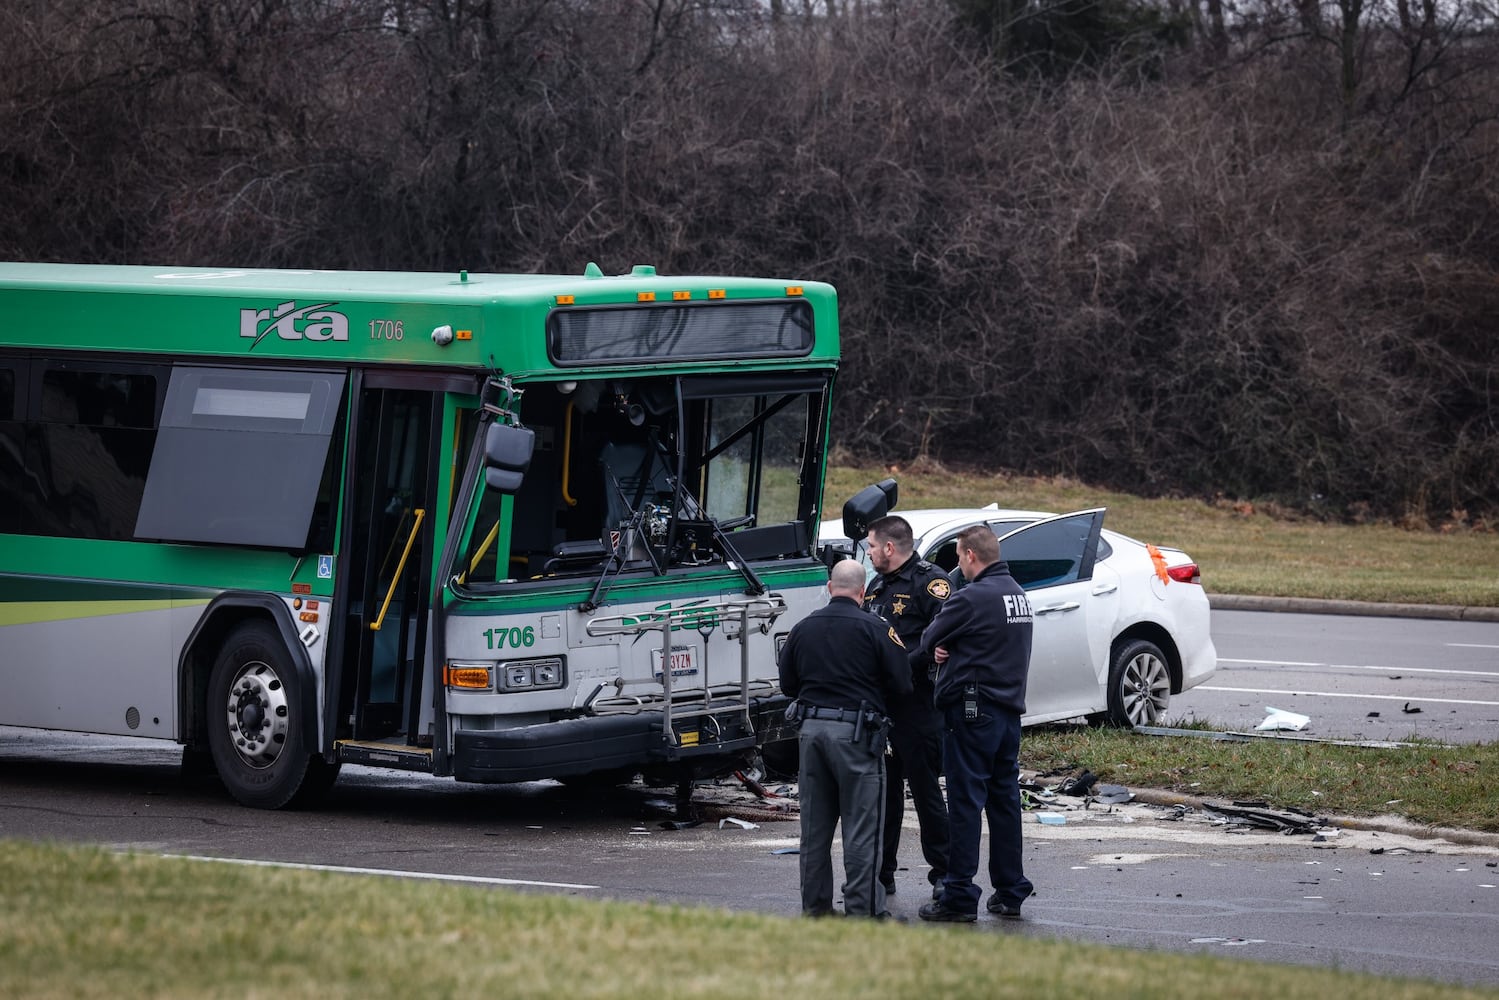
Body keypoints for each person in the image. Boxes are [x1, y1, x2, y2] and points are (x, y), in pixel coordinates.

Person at [778, 558, 913, 918]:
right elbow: (902, 684)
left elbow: (787, 685)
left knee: (815, 830)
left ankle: (817, 910)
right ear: (863, 592)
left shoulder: (802, 629)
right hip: (856, 736)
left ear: (829, 587)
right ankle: (863, 911)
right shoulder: (876, 628)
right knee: (862, 828)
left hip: (810, 734)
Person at [915, 524, 1036, 922]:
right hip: (1007, 714)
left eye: (959, 558)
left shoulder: (971, 598)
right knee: (1004, 803)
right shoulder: (1017, 595)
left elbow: (929, 639)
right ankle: (1010, 889)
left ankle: (958, 895)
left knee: (965, 804)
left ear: (969, 556)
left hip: (971, 713)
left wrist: (943, 646)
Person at [862, 514, 951, 900]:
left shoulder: (931, 582)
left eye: (870, 546)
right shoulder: (877, 585)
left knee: (925, 791)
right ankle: (882, 873)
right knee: (884, 793)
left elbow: (942, 641)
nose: (867, 553)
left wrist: (901, 666)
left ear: (889, 547)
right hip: (883, 706)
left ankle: (945, 875)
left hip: (918, 705)